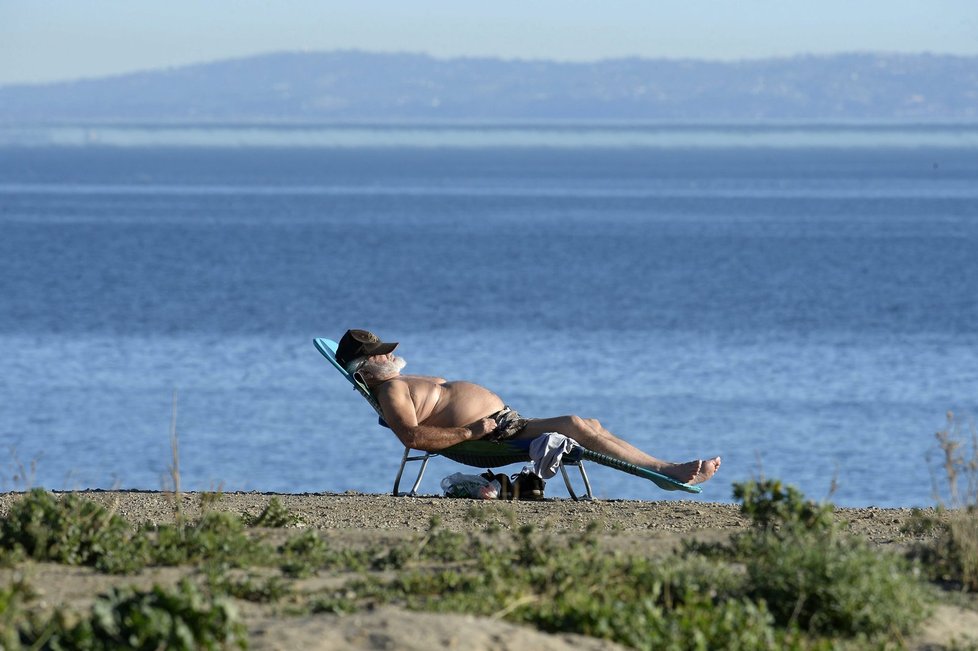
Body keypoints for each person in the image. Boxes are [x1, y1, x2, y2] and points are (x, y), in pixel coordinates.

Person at [335, 329, 721, 486]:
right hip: (493, 435)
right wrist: (473, 432)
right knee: (576, 425)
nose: (389, 354)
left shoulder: (399, 383)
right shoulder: (391, 393)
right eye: (380, 354)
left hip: (504, 423)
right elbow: (413, 436)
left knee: (587, 423)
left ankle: (660, 469)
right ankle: (662, 472)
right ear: (365, 369)